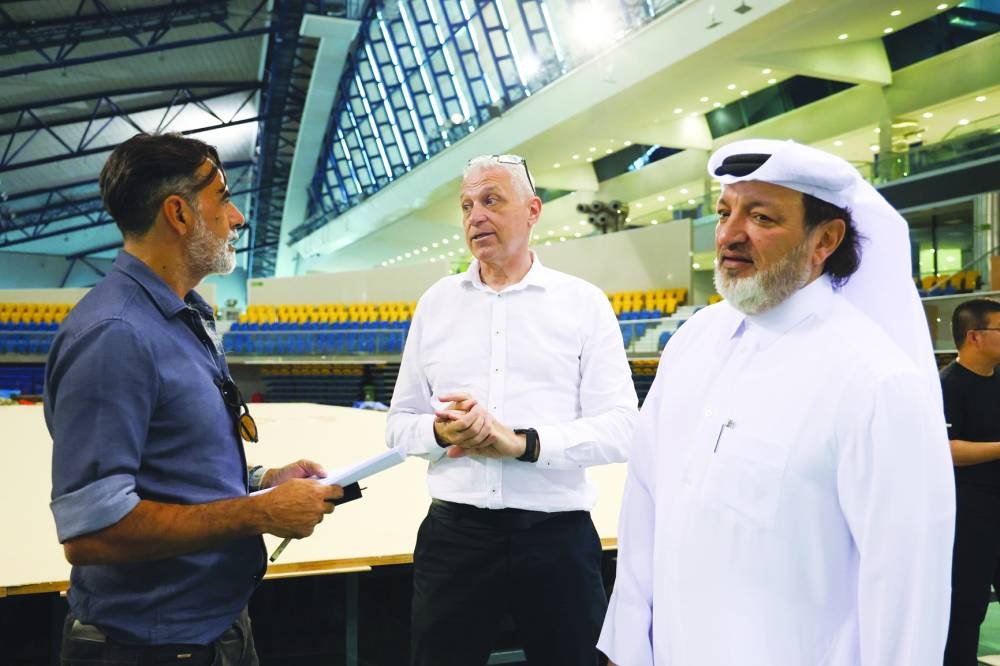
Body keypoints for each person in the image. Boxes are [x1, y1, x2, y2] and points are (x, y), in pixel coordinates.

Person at [598, 138, 955, 665]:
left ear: (825, 239)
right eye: (724, 212)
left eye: (761, 217)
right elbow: (647, 501)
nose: (730, 234)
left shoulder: (875, 382)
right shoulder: (693, 343)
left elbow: (906, 588)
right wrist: (627, 646)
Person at [45, 132, 344, 666]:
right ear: (179, 214)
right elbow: (93, 531)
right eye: (223, 199)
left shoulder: (184, 316)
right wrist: (258, 513)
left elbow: (170, 466)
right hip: (149, 648)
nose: (237, 218)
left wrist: (259, 483)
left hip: (212, 627)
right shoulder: (115, 335)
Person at [387, 153, 638, 666]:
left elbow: (622, 429)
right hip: (455, 538)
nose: (475, 216)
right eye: (466, 205)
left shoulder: (584, 304)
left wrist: (522, 444)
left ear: (533, 211)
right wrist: (441, 433)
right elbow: (398, 426)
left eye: (492, 201)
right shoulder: (435, 303)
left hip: (557, 540)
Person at [942, 297, 1000, 665]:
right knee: (968, 606)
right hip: (970, 510)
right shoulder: (947, 385)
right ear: (974, 336)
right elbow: (945, 449)